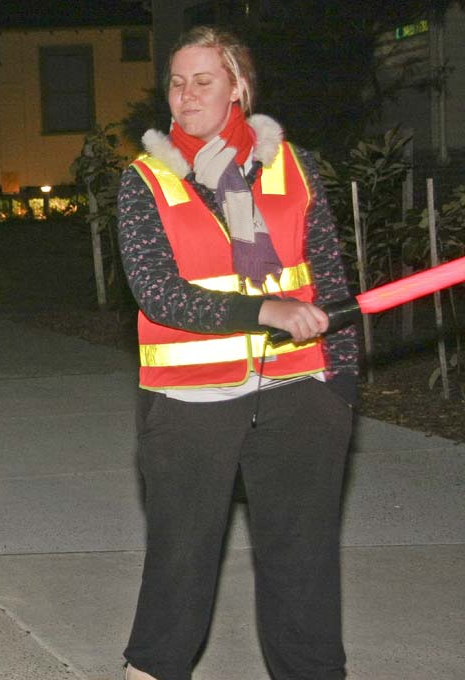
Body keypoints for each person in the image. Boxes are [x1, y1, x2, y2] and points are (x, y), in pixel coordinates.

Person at [118, 26, 359, 680]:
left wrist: (341, 396)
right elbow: (158, 293)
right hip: (191, 405)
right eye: (176, 81)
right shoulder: (147, 180)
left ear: (238, 88)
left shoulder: (295, 167)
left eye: (203, 80)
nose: (186, 94)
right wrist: (263, 311)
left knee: (304, 573)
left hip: (300, 397)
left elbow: (333, 286)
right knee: (181, 570)